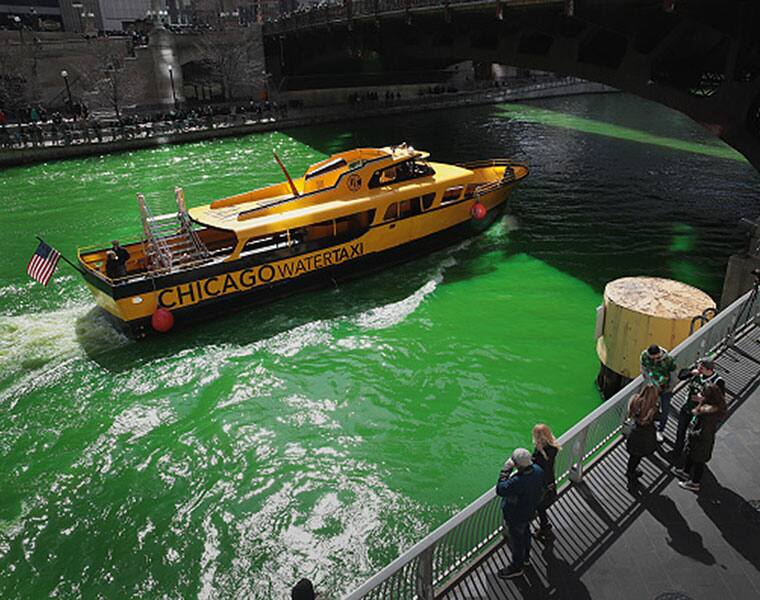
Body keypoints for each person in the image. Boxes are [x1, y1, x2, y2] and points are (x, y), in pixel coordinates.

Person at [495, 448, 545, 579]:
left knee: (517, 541)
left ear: (516, 464)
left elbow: (500, 489)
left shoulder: (518, 481)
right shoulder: (538, 471)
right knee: (526, 534)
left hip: (516, 516)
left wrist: (505, 470)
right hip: (529, 511)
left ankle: (516, 567)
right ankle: (526, 559)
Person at [676, 383, 727, 492]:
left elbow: (704, 432)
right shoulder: (714, 409)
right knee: (691, 456)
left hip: (700, 443)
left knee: (699, 462)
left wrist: (691, 434)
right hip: (701, 443)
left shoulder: (707, 414)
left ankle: (695, 483)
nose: (699, 394)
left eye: (701, 394)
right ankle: (685, 472)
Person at [672, 357, 716, 461]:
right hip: (687, 407)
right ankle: (677, 451)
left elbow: (719, 401)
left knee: (694, 435)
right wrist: (691, 373)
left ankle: (690, 454)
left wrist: (703, 399)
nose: (699, 369)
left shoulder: (716, 381)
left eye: (701, 368)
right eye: (699, 367)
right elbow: (681, 375)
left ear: (709, 370)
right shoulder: (696, 373)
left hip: (700, 414)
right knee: (680, 431)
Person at [624, 384, 659, 490]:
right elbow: (658, 418)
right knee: (637, 456)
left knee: (633, 456)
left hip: (635, 432)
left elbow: (630, 413)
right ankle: (631, 474)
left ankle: (630, 471)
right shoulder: (653, 408)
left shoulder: (635, 400)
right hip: (646, 435)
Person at [640, 344, 676, 443]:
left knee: (665, 410)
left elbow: (673, 374)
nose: (655, 360)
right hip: (652, 387)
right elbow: (644, 369)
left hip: (666, 388)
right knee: (649, 406)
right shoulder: (644, 356)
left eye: (657, 358)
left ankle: (660, 430)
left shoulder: (668, 360)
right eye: (652, 358)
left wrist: (670, 387)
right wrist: (650, 382)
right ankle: (649, 425)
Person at [531, 423, 561, 537]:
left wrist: (539, 451)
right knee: (542, 506)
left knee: (540, 505)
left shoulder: (540, 452)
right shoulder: (553, 446)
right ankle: (545, 525)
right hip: (550, 481)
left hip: (543, 484)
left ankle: (544, 528)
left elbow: (535, 464)